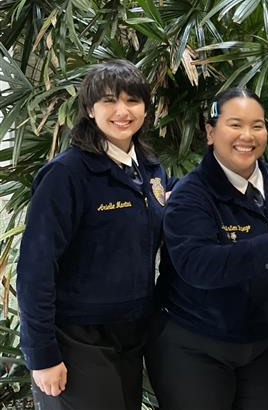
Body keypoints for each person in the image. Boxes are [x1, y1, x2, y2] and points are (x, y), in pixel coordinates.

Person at [146, 87, 268, 410]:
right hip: (193, 342)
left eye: (257, 125)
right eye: (235, 124)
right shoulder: (190, 195)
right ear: (211, 132)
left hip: (260, 342)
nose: (247, 136)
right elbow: (198, 264)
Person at [17, 59, 174, 410]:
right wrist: (41, 354)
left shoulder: (150, 169)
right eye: (108, 100)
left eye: (132, 100)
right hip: (77, 337)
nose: (122, 111)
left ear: (145, 109)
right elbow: (35, 269)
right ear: (89, 109)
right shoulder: (66, 175)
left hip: (132, 332)